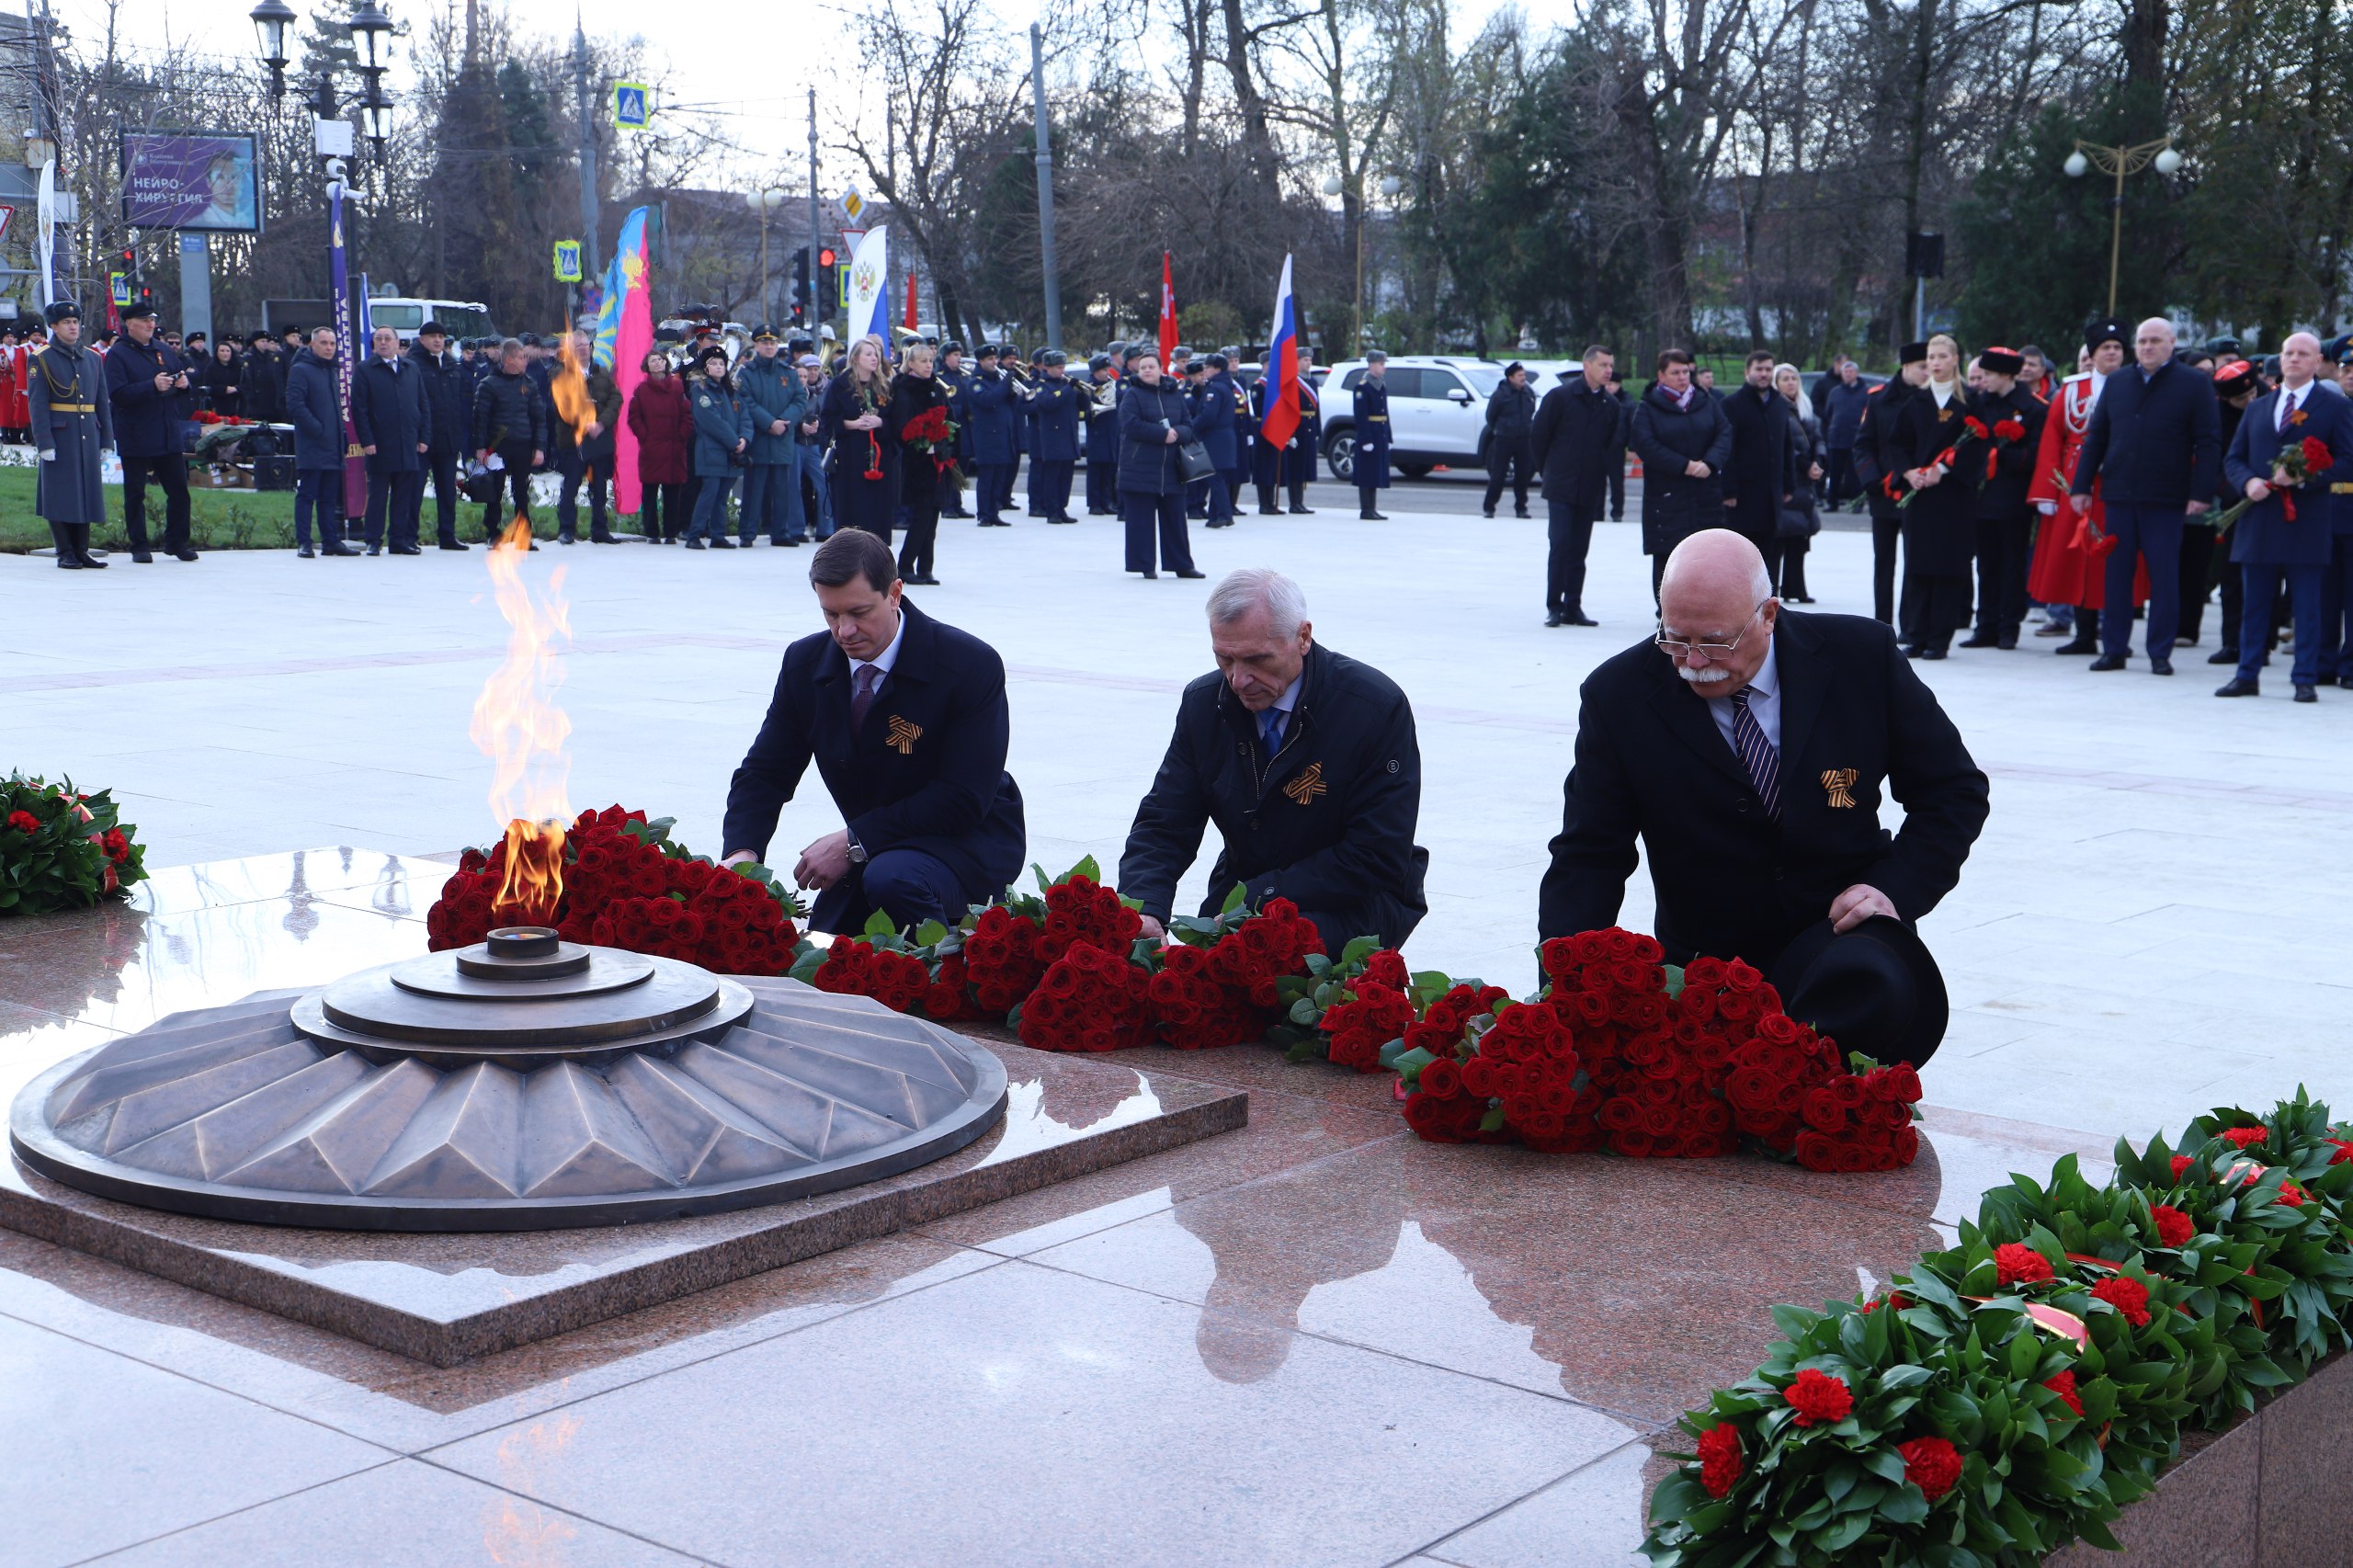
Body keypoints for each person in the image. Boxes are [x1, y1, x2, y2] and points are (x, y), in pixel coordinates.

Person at [1536, 530, 1987, 1063]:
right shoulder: (1619, 696)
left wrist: (1893, 890)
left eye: (1717, 641)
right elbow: (1589, 856)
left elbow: (1953, 790)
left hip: (1846, 966)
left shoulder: (1861, 658)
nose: (1694, 661)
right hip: (1710, 986)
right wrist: (1559, 995)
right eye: (1675, 639)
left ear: (1768, 614)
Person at [721, 529, 1027, 934]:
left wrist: (854, 840)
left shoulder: (969, 665)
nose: (844, 631)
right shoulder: (805, 662)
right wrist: (743, 851)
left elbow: (963, 798)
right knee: (823, 944)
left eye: (859, 612)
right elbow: (765, 772)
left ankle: (942, 981)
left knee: (890, 881)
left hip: (965, 843)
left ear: (895, 592)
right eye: (831, 614)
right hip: (877, 848)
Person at [1120, 567, 1428, 953]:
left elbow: (1376, 854)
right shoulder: (1205, 702)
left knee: (1263, 967)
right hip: (1244, 888)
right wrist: (1144, 906)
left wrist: (1254, 901)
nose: (1238, 680)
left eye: (1256, 660)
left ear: (1303, 637)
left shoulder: (1373, 707)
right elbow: (1165, 820)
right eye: (1224, 659)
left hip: (1354, 902)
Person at [2068, 317, 2222, 674]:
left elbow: (2209, 441)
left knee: (2164, 577)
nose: (2148, 347)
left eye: (2155, 341)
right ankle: (2115, 649)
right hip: (2120, 494)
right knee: (2117, 575)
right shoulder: (2119, 381)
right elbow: (2098, 437)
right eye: (2142, 341)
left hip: (2166, 498)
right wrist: (2081, 486)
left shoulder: (2193, 383)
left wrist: (2201, 492)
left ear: (2171, 343)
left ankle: (2159, 652)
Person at [2217, 331, 2349, 702]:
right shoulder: (2260, 406)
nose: (2294, 359)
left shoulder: (2334, 406)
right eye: (2289, 352)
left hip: (2306, 520)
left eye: (2303, 354)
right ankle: (2247, 674)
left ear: (2317, 361)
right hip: (2259, 519)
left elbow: (2347, 460)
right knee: (2256, 603)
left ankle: (2304, 676)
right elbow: (2234, 458)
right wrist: (2248, 483)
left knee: (2307, 605)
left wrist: (2306, 476)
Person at [2027, 322, 2131, 655]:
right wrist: (2047, 490)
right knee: (2080, 560)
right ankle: (2084, 634)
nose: (2112, 353)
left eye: (2117, 347)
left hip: (2121, 482)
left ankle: (2117, 637)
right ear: (2093, 354)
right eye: (2105, 348)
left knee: (2117, 560)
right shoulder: (2072, 389)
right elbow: (2052, 439)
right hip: (2076, 485)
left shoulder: (2137, 385)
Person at [1884, 335, 1980, 659]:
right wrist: (1908, 472)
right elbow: (1896, 444)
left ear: (1955, 359)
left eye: (1942, 356)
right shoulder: (1916, 402)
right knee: (1919, 565)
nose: (1935, 363)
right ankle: (1916, 633)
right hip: (1921, 497)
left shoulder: (1970, 401)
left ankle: (1940, 638)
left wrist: (1948, 471)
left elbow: (1980, 445)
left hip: (1954, 499)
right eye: (1931, 357)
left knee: (1949, 567)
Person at [1956, 347, 2046, 649]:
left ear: (2007, 375)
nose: (1983, 381)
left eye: (1989, 375)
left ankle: (2009, 626)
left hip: (2013, 498)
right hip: (1982, 498)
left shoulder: (2032, 407)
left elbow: (2036, 455)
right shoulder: (1980, 403)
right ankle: (1986, 625)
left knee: (2012, 564)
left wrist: (2003, 456)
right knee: (1986, 565)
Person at [1628, 348, 1733, 595]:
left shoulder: (1705, 401)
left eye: (1685, 371)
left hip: (1704, 491)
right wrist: (1684, 465)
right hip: (1666, 494)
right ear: (1661, 375)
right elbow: (1646, 445)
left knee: (1707, 554)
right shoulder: (1648, 407)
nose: (1682, 377)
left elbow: (1724, 433)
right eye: (1675, 372)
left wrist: (1709, 463)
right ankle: (1667, 611)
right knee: (1669, 555)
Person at [1529, 345, 1620, 626]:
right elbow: (1539, 437)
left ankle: (1573, 606)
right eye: (1603, 365)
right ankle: (1554, 606)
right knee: (1560, 546)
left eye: (1610, 366)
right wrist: (1549, 471)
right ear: (1587, 366)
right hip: (1560, 485)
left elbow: (1608, 446)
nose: (1608, 371)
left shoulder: (1610, 405)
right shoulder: (1560, 397)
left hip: (1590, 487)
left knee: (1579, 550)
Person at [102, 301, 198, 564]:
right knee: (135, 493)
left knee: (179, 491)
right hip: (136, 432)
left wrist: (183, 384)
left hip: (167, 432)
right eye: (145, 320)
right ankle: (139, 545)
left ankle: (177, 541)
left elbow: (179, 380)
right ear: (129, 324)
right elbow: (117, 394)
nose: (150, 325)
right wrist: (151, 386)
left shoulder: (163, 350)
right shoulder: (118, 354)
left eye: (153, 319)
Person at [28, 300, 114, 570]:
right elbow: (38, 403)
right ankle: (64, 550)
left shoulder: (92, 358)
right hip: (60, 434)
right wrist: (44, 441)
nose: (73, 326)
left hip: (87, 431)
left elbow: (102, 401)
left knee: (86, 491)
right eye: (66, 322)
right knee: (60, 492)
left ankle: (81, 550)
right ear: (54, 326)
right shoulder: (41, 357)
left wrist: (106, 439)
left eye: (75, 322)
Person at [1850, 343, 1927, 625]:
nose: (1928, 372)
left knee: (1914, 563)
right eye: (1923, 366)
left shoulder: (1930, 399)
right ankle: (1882, 624)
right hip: (1883, 492)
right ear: (1906, 366)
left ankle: (1910, 624)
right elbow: (1863, 444)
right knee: (1884, 564)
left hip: (1917, 492)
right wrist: (1870, 479)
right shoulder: (1878, 399)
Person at [1117, 348, 1204, 581]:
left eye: (1151, 366)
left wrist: (1178, 433)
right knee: (1141, 522)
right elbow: (1130, 424)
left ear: (1160, 369)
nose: (1147, 370)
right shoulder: (1132, 394)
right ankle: (1145, 565)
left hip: (1172, 469)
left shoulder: (1173, 393)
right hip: (1140, 467)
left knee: (1176, 519)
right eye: (1143, 367)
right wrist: (1161, 434)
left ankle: (1182, 564)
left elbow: (1188, 423)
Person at [1717, 349, 1795, 589]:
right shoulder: (1731, 405)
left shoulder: (1780, 404)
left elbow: (1787, 445)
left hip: (1772, 494)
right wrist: (1728, 490)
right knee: (1742, 554)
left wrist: (1789, 483)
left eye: (1768, 369)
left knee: (1770, 554)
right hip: (1742, 496)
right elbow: (1726, 449)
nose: (1764, 374)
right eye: (1759, 369)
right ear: (1747, 372)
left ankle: (1769, 606)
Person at [350, 324, 427, 556]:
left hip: (408, 442)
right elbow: (359, 409)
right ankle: (373, 539)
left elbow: (422, 404)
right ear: (373, 344)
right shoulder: (365, 370)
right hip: (379, 444)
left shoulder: (411, 368)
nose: (383, 342)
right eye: (378, 338)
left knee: (404, 494)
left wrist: (424, 436)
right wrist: (367, 440)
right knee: (378, 495)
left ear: (397, 343)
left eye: (387, 338)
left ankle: (399, 539)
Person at [822, 333, 899, 544]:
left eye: (876, 354)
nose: (874, 358)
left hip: (879, 457)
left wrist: (879, 422)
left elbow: (896, 420)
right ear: (856, 358)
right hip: (850, 455)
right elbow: (827, 419)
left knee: (878, 507)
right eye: (868, 354)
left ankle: (878, 551)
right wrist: (851, 424)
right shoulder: (840, 385)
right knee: (852, 505)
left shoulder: (884, 386)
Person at [285, 325, 354, 558]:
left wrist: (340, 435)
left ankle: (330, 541)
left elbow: (335, 408)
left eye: (332, 344)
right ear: (312, 345)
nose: (329, 348)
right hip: (313, 445)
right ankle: (304, 542)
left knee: (328, 497)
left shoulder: (331, 371)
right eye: (324, 343)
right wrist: (318, 429)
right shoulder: (301, 370)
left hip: (333, 445)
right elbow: (296, 405)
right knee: (307, 495)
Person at [472, 336, 549, 541]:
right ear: (509, 360)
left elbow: (539, 418)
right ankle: (493, 532)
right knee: (495, 490)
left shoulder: (529, 384)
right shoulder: (488, 385)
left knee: (521, 491)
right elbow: (480, 418)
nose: (526, 361)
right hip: (497, 446)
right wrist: (480, 448)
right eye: (522, 357)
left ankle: (523, 534)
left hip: (523, 444)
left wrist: (539, 448)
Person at [548, 329, 620, 546]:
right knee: (571, 484)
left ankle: (600, 529)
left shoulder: (601, 372)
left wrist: (600, 423)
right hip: (573, 439)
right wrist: (585, 422)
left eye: (585, 345)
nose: (582, 350)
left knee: (599, 486)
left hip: (598, 438)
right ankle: (567, 529)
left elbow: (615, 399)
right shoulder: (561, 373)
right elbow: (563, 406)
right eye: (577, 347)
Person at [738, 325, 808, 546]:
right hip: (760, 438)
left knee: (782, 490)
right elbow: (745, 400)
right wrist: (769, 423)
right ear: (756, 345)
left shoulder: (788, 372)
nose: (769, 346)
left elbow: (800, 400)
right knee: (754, 490)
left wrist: (784, 423)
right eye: (764, 342)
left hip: (782, 439)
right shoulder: (747, 372)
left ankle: (780, 533)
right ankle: (748, 533)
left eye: (773, 343)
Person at [404, 322, 469, 551]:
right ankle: (409, 536)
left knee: (447, 491)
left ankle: (447, 535)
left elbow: (457, 402)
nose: (437, 340)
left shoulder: (451, 364)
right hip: (422, 439)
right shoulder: (412, 364)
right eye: (432, 336)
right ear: (422, 339)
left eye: (441, 336)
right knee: (415, 490)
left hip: (448, 438)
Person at [889, 341, 949, 584]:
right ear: (910, 363)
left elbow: (949, 417)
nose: (928, 365)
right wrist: (923, 443)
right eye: (923, 361)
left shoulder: (936, 387)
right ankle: (904, 565)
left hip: (938, 461)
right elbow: (902, 427)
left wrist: (946, 443)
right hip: (917, 462)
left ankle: (925, 567)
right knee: (922, 515)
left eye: (931, 361)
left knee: (933, 515)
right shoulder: (905, 389)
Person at [684, 343, 751, 550]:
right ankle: (694, 534)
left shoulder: (731, 392)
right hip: (711, 452)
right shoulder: (701, 390)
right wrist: (734, 442)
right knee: (709, 494)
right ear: (706, 368)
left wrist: (744, 438)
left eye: (721, 363)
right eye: (714, 364)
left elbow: (745, 418)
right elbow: (711, 422)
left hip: (731, 453)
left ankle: (718, 535)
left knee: (722, 496)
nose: (719, 367)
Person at [626, 347, 692, 543]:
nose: (657, 363)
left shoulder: (678, 387)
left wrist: (681, 437)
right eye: (653, 360)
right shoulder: (642, 390)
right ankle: (652, 532)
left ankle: (671, 532)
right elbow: (634, 417)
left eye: (660, 359)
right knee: (649, 492)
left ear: (666, 363)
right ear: (647, 366)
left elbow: (687, 415)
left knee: (673, 492)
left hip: (674, 447)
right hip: (652, 448)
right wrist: (645, 437)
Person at [1773, 362, 1824, 603]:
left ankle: (1796, 588)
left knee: (1800, 538)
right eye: (1785, 379)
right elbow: (1786, 447)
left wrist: (1819, 461)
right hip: (1789, 480)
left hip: (1806, 483)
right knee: (1781, 538)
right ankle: (1773, 590)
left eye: (1794, 378)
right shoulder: (1776, 409)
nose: (1790, 382)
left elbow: (1818, 438)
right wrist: (1806, 465)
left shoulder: (1806, 408)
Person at [1025, 349, 1083, 523]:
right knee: (1052, 477)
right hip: (1053, 439)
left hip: (1069, 436)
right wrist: (1068, 389)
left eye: (1063, 367)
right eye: (1058, 367)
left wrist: (1082, 393)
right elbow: (1050, 403)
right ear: (1048, 368)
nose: (1062, 371)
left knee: (1066, 477)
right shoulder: (1041, 386)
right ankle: (1052, 511)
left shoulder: (1065, 385)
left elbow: (1083, 407)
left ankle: (1062, 508)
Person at [967, 344, 1019, 528]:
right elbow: (988, 400)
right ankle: (983, 514)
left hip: (1004, 435)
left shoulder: (998, 379)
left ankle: (994, 512)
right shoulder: (976, 382)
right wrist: (1005, 385)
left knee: (999, 477)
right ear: (981, 361)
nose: (994, 362)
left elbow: (1010, 403)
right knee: (987, 478)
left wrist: (1012, 391)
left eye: (996, 358)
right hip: (987, 437)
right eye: (990, 359)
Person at [1483, 362, 1537, 518]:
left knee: (1523, 475)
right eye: (1520, 376)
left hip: (1524, 439)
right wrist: (1499, 430)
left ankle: (1521, 508)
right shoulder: (1501, 394)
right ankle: (1489, 507)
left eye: (1524, 375)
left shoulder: (1527, 392)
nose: (1523, 378)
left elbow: (1531, 410)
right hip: (1504, 438)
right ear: (1511, 377)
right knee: (1498, 474)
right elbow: (1491, 416)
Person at [1346, 350, 1392, 521]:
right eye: (1381, 364)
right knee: (1367, 472)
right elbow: (1360, 415)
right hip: (1370, 434)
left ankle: (1372, 508)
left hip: (1380, 433)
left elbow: (1385, 413)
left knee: (1375, 472)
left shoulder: (1380, 384)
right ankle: (1365, 509)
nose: (1383, 368)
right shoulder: (1363, 387)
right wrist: (1365, 439)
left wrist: (1389, 436)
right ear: (1372, 365)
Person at [796, 353, 836, 541]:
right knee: (795, 487)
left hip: (817, 443)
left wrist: (819, 424)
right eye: (808, 370)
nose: (812, 373)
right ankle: (797, 528)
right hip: (796, 442)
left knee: (823, 484)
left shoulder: (827, 388)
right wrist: (800, 426)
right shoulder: (795, 388)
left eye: (815, 369)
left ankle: (825, 529)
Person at [1823, 358, 1872, 507]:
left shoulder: (1865, 392)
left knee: (1854, 474)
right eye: (1845, 371)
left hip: (1855, 439)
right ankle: (1832, 502)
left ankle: (1856, 502)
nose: (1848, 374)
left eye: (1851, 371)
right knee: (1834, 473)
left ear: (1856, 373)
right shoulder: (1835, 392)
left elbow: (1869, 415)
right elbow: (1828, 413)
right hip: (1836, 438)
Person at [1082, 352, 1122, 516]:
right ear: (1095, 371)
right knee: (1096, 470)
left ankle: (1107, 501)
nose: (1107, 373)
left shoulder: (1112, 384)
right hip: (1097, 433)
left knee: (1109, 469)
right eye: (1104, 370)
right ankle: (1094, 503)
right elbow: (1085, 410)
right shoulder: (1087, 387)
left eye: (1108, 369)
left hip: (1111, 431)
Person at [199, 337, 242, 417]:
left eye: (227, 351)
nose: (225, 353)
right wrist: (225, 389)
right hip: (217, 406)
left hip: (236, 405)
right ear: (217, 353)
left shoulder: (239, 367)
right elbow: (208, 386)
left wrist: (236, 388)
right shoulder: (211, 368)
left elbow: (246, 384)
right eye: (222, 351)